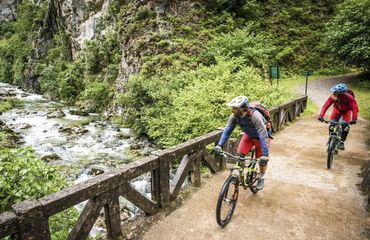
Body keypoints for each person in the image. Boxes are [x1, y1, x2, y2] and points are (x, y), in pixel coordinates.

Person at [214, 96, 270, 190]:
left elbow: (263, 135)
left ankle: (261, 178)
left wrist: (265, 155)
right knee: (240, 153)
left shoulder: (254, 116)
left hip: (261, 138)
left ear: (243, 108)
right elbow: (227, 130)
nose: (232, 110)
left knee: (262, 160)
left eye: (235, 108)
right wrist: (219, 145)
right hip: (248, 135)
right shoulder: (235, 116)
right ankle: (238, 173)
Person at [318, 83, 359, 150]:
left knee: (345, 127)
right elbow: (325, 106)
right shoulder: (333, 97)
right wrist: (321, 116)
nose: (334, 93)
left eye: (336, 92)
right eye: (334, 91)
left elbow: (354, 108)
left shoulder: (349, 98)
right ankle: (331, 140)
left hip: (346, 111)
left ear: (342, 93)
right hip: (337, 110)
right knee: (332, 125)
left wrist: (354, 118)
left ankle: (342, 142)